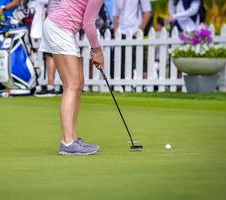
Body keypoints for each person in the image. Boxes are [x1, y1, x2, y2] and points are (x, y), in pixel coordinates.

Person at [39, 0, 104, 155]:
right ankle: (68, 142)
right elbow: (88, 23)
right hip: (60, 28)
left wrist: (95, 49)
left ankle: (73, 138)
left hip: (59, 27)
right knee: (72, 85)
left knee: (78, 83)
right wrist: (97, 50)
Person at [113, 0, 152, 81]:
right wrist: (116, 30)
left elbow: (147, 12)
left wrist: (140, 29)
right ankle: (124, 85)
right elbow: (116, 14)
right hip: (121, 32)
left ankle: (144, 85)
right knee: (122, 62)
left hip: (135, 32)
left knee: (140, 62)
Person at [35, 0, 62, 97]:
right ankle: (65, 86)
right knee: (59, 54)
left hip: (55, 21)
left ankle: (50, 87)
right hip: (62, 21)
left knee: (50, 54)